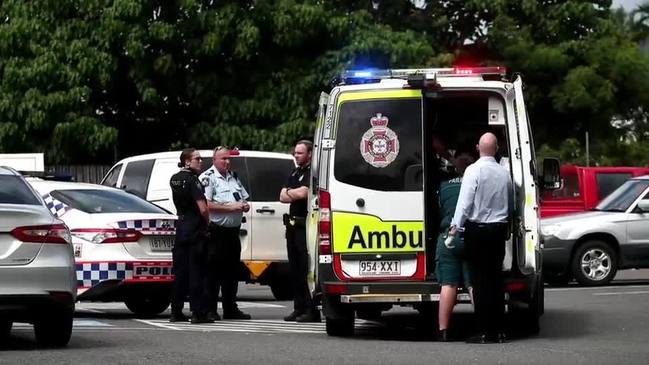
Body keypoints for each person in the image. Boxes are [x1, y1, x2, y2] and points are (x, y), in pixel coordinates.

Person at [448, 132, 512, 344]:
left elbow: (465, 203)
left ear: (478, 148)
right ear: (495, 149)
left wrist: (454, 227)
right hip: (499, 230)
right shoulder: (504, 173)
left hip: (478, 231)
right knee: (496, 280)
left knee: (481, 282)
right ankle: (500, 330)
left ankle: (484, 331)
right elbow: (510, 202)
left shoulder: (473, 171)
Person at [200, 146, 252, 320]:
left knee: (231, 272)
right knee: (213, 273)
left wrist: (244, 205)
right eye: (223, 159)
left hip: (233, 232)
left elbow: (243, 197)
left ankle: (230, 308)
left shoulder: (233, 177)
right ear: (214, 160)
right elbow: (206, 204)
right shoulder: (208, 178)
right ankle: (210, 309)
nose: (227, 162)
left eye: (229, 158)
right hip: (217, 232)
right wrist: (231, 208)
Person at [169, 148, 213, 324]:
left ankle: (176, 310)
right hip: (195, 228)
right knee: (197, 272)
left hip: (181, 227)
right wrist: (208, 223)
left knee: (180, 272)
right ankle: (197, 312)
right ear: (187, 161)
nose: (201, 161)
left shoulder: (175, 179)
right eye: (197, 159)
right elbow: (203, 208)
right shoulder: (193, 180)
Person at [435, 151, 475, 341]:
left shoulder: (443, 187)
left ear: (456, 169)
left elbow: (439, 209)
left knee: (448, 284)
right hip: (472, 238)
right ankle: (482, 325)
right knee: (474, 284)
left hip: (448, 238)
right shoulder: (476, 184)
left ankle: (444, 330)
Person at [280, 140, 320, 323]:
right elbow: (282, 196)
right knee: (295, 270)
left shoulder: (312, 172)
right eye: (295, 153)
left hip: (306, 227)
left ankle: (311, 310)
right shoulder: (295, 172)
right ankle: (299, 308)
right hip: (292, 227)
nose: (296, 156)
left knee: (306, 269)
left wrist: (290, 192)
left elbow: (305, 193)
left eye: (299, 153)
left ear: (310, 154)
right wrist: (291, 192)